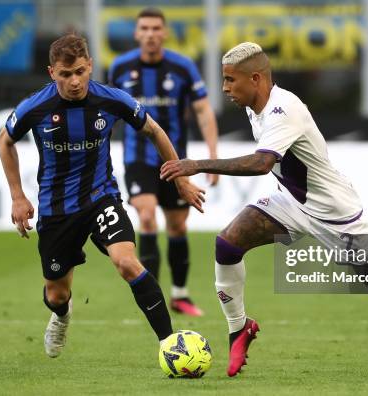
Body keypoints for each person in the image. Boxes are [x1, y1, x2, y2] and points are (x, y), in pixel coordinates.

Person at [160, 42, 368, 379]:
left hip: (338, 215)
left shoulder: (284, 110)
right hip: (293, 203)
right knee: (227, 243)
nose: (224, 88)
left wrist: (196, 164)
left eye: (229, 80)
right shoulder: (254, 104)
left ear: (255, 78)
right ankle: (239, 328)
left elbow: (260, 163)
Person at [0, 34, 205, 359]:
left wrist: (180, 181)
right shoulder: (36, 107)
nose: (75, 81)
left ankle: (169, 344)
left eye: (80, 71)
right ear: (52, 72)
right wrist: (17, 196)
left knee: (127, 263)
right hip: (57, 209)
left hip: (101, 198)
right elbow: (4, 141)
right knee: (57, 294)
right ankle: (62, 315)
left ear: (90, 66)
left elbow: (155, 131)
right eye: (66, 74)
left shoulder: (112, 100)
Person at [108, 7, 219, 317]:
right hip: (137, 158)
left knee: (177, 225)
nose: (150, 34)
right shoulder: (120, 67)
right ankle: (152, 295)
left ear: (165, 33)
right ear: (136, 33)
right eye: (144, 28)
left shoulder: (182, 67)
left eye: (156, 28)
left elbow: (203, 111)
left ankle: (180, 295)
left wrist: (211, 155)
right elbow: (103, 110)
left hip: (175, 161)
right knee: (145, 217)